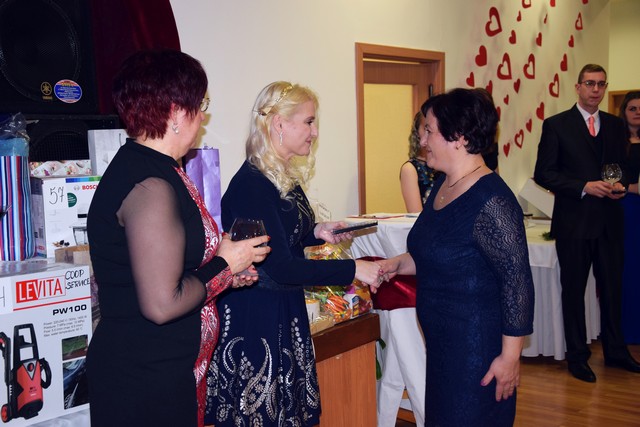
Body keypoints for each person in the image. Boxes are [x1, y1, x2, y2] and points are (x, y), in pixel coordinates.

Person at [86, 49, 270, 427]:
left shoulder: (158, 169)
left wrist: (224, 275)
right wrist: (225, 264)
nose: (203, 117)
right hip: (144, 378)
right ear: (175, 113)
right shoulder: (150, 185)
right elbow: (161, 304)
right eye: (199, 105)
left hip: (164, 369)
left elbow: (173, 269)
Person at [204, 81, 383, 426]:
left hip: (282, 308)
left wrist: (317, 232)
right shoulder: (253, 184)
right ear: (279, 124)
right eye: (309, 122)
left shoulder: (281, 175)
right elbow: (282, 266)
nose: (315, 133)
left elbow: (283, 237)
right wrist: (353, 269)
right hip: (257, 316)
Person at [378, 88, 535, 426]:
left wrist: (510, 358)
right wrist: (396, 264)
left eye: (429, 131)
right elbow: (438, 254)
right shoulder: (442, 185)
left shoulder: (492, 200)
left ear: (459, 137)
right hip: (442, 347)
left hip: (476, 352)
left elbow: (517, 283)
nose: (422, 140)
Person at [534, 64, 640, 382]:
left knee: (612, 290)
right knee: (574, 292)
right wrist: (584, 186)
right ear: (578, 87)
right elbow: (544, 173)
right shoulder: (556, 125)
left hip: (610, 221)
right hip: (574, 223)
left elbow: (623, 167)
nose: (596, 90)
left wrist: (619, 184)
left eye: (601, 84)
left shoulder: (614, 125)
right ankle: (578, 357)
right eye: (590, 83)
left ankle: (616, 352)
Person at [620, 91, 640, 343]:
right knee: (628, 269)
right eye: (632, 108)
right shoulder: (616, 141)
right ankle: (628, 330)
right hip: (626, 210)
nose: (637, 113)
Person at [400, 110, 440, 212]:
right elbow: (416, 215)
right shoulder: (410, 169)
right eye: (426, 129)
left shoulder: (445, 165)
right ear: (417, 132)